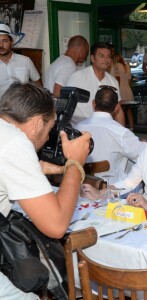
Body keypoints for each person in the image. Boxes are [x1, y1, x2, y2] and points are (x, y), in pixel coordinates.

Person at [0, 82, 91, 298]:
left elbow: (17, 168)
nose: (47, 138)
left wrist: (61, 168)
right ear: (37, 124)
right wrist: (75, 164)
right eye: (50, 130)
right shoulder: (15, 141)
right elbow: (56, 225)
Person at [75, 85, 146, 184]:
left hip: (79, 185)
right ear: (117, 107)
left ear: (93, 104)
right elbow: (145, 155)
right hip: (111, 190)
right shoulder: (120, 133)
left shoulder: (77, 128)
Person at [66, 42, 125, 127]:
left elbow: (118, 110)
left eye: (108, 56)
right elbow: (66, 102)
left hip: (104, 129)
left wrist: (122, 133)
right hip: (79, 130)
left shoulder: (113, 81)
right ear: (92, 58)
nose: (106, 59)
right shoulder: (78, 76)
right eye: (101, 56)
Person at [0, 24, 41, 98]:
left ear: (11, 43)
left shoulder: (25, 61)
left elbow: (37, 85)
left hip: (24, 107)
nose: (1, 45)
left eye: (5, 41)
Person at [110, 52, 135, 129]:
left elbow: (117, 79)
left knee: (117, 110)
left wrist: (116, 91)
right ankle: (132, 128)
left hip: (120, 91)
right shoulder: (126, 66)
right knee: (128, 110)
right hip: (127, 90)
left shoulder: (116, 66)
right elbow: (129, 80)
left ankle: (118, 128)